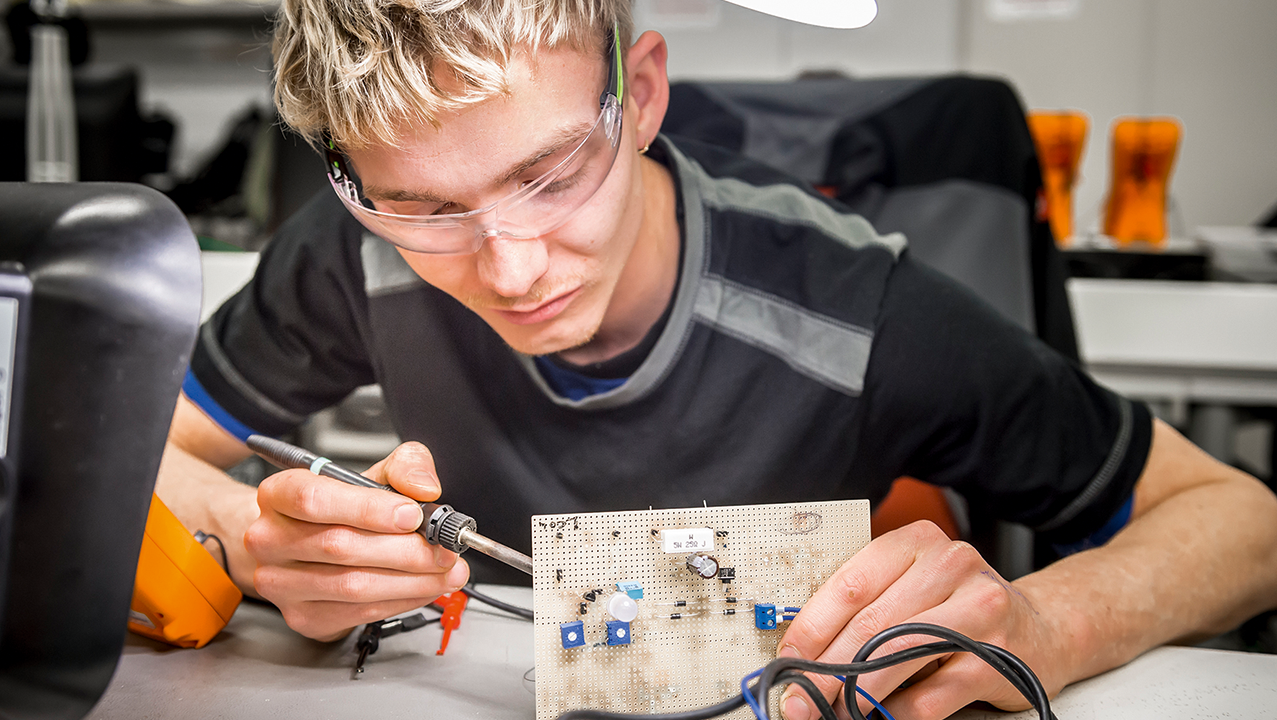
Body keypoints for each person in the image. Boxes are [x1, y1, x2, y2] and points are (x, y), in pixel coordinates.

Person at [156, 1, 1277, 718]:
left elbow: (1239, 521)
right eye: (424, 207)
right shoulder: (354, 254)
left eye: (551, 177)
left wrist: (1042, 623)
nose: (508, 266)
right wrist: (257, 547)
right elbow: (136, 447)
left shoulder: (855, 310)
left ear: (638, 97)